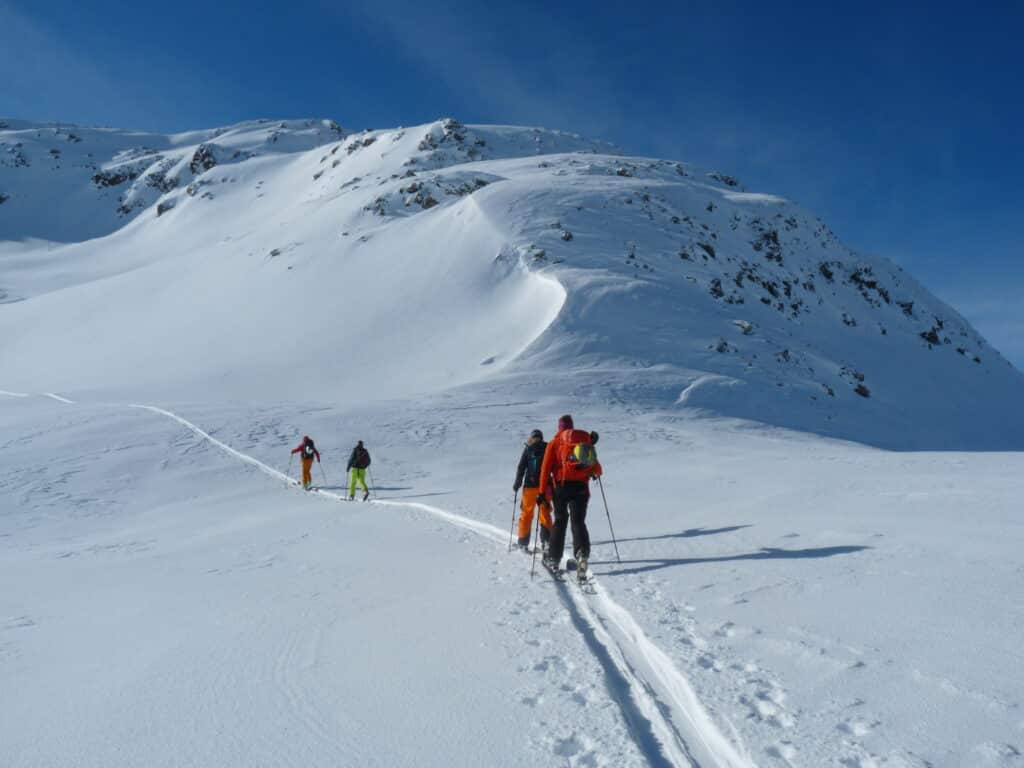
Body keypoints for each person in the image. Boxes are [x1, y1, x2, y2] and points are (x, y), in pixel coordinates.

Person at [538, 415, 602, 580]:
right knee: (578, 521)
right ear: (572, 427)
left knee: (560, 521)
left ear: (559, 427)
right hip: (581, 488)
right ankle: (582, 555)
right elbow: (597, 469)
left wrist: (541, 492)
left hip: (561, 487)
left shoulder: (555, 442)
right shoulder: (583, 442)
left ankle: (553, 559)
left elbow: (545, 469)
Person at [513, 429, 553, 553]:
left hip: (529, 487)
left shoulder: (528, 449)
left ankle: (523, 542)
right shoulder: (548, 448)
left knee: (526, 514)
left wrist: (517, 482)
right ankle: (546, 543)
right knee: (545, 514)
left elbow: (521, 467)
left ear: (532, 437)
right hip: (544, 487)